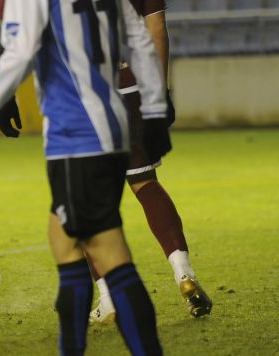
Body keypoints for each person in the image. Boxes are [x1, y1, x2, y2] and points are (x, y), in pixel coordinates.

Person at [0, 0, 179, 356]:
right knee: (64, 240)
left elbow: (19, 52)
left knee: (109, 255)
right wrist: (157, 111)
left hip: (77, 141)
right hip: (112, 130)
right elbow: (142, 41)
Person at [89, 0, 211, 323]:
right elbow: (157, 28)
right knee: (145, 183)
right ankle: (183, 272)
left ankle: (108, 296)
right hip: (132, 85)